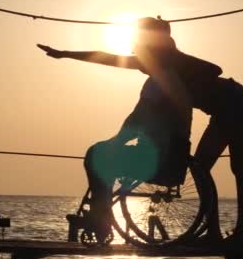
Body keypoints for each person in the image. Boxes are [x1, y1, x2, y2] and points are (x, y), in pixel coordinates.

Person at [37, 17, 243, 259]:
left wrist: (182, 138)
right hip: (223, 106)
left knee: (238, 168)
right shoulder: (158, 64)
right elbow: (107, 58)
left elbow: (213, 72)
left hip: (235, 102)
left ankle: (239, 234)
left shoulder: (170, 63)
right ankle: (214, 233)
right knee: (203, 170)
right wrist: (65, 54)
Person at [39, 28, 193, 244]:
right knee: (105, 154)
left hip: (154, 157)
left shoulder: (157, 83)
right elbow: (108, 58)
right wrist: (65, 53)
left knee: (96, 154)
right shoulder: (176, 81)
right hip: (171, 155)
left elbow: (137, 118)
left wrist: (117, 141)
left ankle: (100, 219)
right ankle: (100, 215)